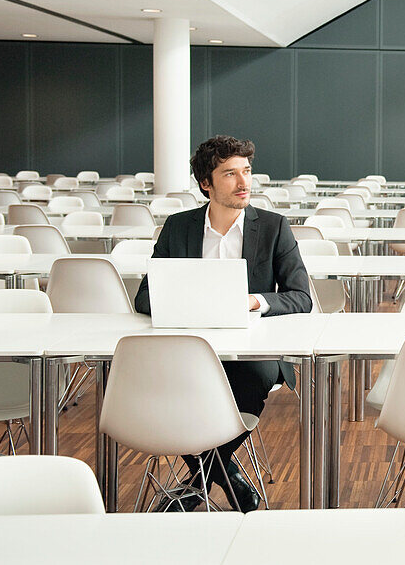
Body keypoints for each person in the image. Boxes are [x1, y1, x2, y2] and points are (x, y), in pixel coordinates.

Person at [134, 135, 312, 512]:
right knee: (157, 383)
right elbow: (145, 297)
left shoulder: (274, 227)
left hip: (252, 352)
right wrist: (193, 306)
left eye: (246, 171)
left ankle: (198, 480)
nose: (244, 182)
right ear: (206, 184)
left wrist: (255, 301)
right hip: (189, 350)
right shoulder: (178, 227)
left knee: (257, 375)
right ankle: (223, 473)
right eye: (229, 174)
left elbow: (301, 296)